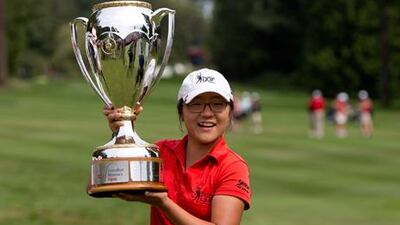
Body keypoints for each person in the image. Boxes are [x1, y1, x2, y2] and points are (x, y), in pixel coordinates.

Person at [103, 68, 251, 225]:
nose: (207, 113)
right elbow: (103, 180)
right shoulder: (160, 153)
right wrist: (121, 131)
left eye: (217, 104)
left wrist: (164, 204)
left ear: (230, 112)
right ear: (181, 112)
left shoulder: (233, 167)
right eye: (196, 104)